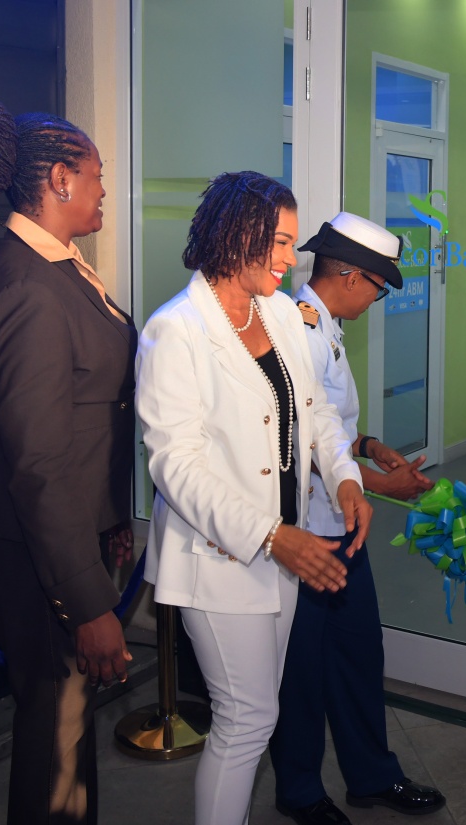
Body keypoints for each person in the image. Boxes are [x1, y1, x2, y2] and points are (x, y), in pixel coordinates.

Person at [135, 172, 373, 825]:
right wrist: (271, 534)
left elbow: (316, 411)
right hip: (220, 558)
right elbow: (176, 466)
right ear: (236, 233)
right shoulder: (175, 330)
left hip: (280, 553)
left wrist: (345, 477)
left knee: (258, 711)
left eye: (292, 243)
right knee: (247, 718)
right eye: (280, 242)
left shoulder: (279, 314)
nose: (290, 260)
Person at [0, 97, 135, 825]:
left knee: (66, 726)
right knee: (57, 732)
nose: (104, 187)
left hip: (70, 530)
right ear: (60, 179)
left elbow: (90, 413)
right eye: (96, 174)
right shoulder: (29, 287)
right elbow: (38, 462)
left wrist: (112, 517)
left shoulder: (59, 267)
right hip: (35, 546)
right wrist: (89, 602)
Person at [268, 212, 444, 824]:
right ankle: (298, 791)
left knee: (359, 655)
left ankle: (371, 775)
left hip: (341, 528)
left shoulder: (325, 324)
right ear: (349, 275)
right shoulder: (298, 330)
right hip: (308, 533)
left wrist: (368, 446)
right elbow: (298, 447)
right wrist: (385, 485)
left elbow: (329, 421)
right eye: (377, 286)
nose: (377, 298)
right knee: (302, 670)